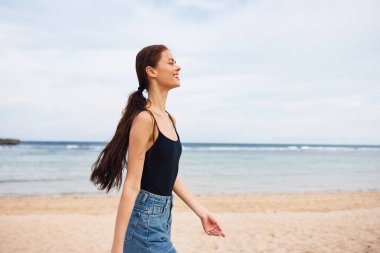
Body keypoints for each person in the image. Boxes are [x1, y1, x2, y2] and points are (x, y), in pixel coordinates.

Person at [90, 44, 225, 253]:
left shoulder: (170, 119)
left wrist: (201, 212)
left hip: (162, 217)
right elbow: (132, 185)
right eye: (171, 62)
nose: (178, 67)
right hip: (145, 220)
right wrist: (116, 248)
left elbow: (169, 174)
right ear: (151, 71)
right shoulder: (145, 119)